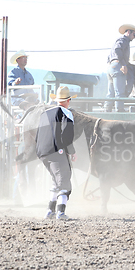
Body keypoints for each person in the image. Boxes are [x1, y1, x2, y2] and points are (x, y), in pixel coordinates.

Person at [36, 86, 77, 220]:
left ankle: (50, 211)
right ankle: (60, 212)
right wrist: (71, 151)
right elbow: (67, 134)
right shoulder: (66, 112)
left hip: (42, 152)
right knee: (64, 180)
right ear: (68, 100)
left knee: (56, 180)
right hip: (56, 151)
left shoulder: (44, 114)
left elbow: (38, 135)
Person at [105, 24, 135, 112]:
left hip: (111, 66)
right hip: (118, 66)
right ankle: (119, 110)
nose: (134, 37)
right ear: (128, 32)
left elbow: (111, 54)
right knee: (119, 92)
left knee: (111, 92)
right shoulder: (124, 40)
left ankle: (107, 110)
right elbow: (118, 50)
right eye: (134, 35)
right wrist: (123, 65)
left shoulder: (118, 41)